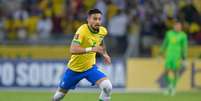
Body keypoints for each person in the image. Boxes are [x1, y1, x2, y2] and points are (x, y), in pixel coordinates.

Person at [52, 9, 112, 101]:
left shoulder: (103, 31)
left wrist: (105, 54)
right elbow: (72, 49)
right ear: (88, 19)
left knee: (107, 86)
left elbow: (101, 40)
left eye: (99, 19)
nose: (97, 22)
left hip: (90, 68)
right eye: (94, 19)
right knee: (58, 96)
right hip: (74, 69)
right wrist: (91, 49)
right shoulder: (82, 31)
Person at [160, 21, 188, 96]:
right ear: (174, 26)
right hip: (169, 55)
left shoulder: (183, 35)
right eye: (177, 26)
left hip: (177, 56)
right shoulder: (169, 33)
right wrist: (161, 51)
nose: (178, 27)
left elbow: (184, 47)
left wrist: (185, 57)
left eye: (179, 26)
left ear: (181, 27)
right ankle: (169, 86)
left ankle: (173, 87)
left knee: (175, 72)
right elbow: (165, 43)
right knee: (166, 72)